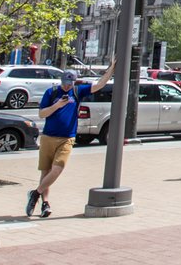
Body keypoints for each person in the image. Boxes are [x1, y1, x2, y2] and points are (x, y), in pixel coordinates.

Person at [27, 61, 115, 218]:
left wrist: (111, 69)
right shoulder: (51, 93)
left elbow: (99, 85)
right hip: (48, 136)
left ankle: (35, 193)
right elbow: (42, 114)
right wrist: (57, 106)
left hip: (67, 137)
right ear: (61, 81)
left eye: (70, 83)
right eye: (65, 83)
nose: (67, 86)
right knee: (46, 171)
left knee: (58, 168)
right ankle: (45, 203)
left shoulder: (77, 92)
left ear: (74, 82)